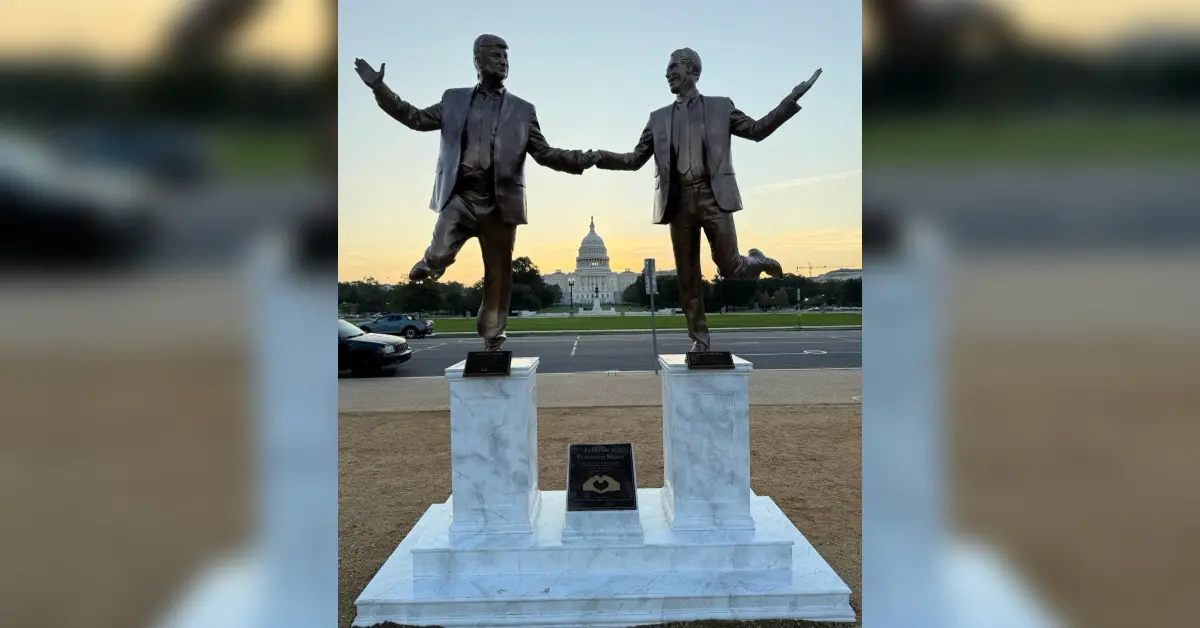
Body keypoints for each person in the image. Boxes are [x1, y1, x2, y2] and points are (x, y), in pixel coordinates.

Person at [354, 35, 598, 350]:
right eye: (495, 55)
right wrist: (379, 88)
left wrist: (581, 159)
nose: (503, 61)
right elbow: (414, 118)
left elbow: (545, 153)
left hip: (500, 203)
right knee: (441, 250)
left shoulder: (523, 110)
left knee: (498, 275)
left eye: (506, 57)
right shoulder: (453, 100)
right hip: (461, 196)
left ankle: (493, 335)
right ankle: (434, 262)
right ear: (478, 61)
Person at [587, 48, 820, 351]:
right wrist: (600, 157)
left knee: (730, 268)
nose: (668, 73)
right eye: (667, 69)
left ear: (692, 71)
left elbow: (757, 130)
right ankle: (700, 341)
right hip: (678, 203)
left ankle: (756, 260)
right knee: (687, 276)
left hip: (714, 198)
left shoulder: (721, 108)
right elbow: (634, 159)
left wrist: (791, 99)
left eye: (674, 67)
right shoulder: (658, 119)